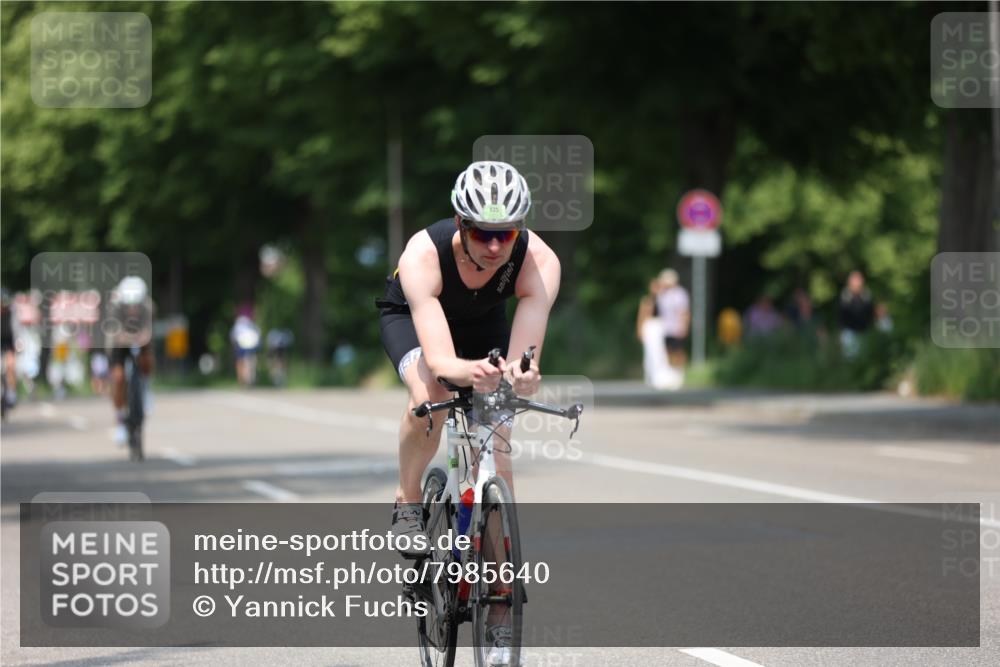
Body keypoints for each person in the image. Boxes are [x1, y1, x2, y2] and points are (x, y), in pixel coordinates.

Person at [376, 160, 559, 665]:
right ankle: (409, 502)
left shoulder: (538, 261)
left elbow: (526, 355)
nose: (496, 246)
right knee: (430, 393)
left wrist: (522, 375)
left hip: (484, 327)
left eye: (507, 234)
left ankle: (500, 609)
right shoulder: (423, 254)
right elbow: (439, 360)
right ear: (460, 222)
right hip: (417, 324)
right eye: (483, 233)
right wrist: (465, 373)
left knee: (497, 451)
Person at [107, 276, 154, 446]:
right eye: (129, 306)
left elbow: (149, 331)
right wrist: (123, 337)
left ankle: (146, 388)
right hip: (119, 343)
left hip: (140, 339)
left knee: (147, 358)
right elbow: (112, 332)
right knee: (118, 378)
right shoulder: (115, 308)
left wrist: (142, 339)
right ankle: (120, 421)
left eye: (136, 305)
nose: (133, 309)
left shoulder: (148, 306)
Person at [838, 270, 874, 357]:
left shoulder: (866, 295)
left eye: (859, 280)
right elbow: (843, 315)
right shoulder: (845, 295)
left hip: (864, 331)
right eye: (855, 280)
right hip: (849, 332)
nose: (857, 283)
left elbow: (870, 313)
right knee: (850, 358)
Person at [1, 289, 16, 409]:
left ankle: (11, 394)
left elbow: (17, 329)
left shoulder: (11, 314)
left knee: (10, 366)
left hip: (8, 342)